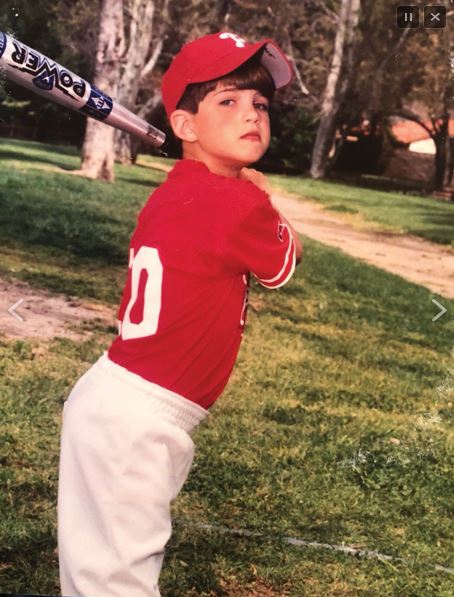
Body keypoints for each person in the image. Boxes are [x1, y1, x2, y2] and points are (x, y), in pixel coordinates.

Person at [57, 30, 303, 597]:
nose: (252, 114)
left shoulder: (176, 189)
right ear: (185, 125)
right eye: (229, 101)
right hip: (140, 418)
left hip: (118, 401)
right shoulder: (240, 202)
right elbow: (283, 266)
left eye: (260, 104)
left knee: (98, 571)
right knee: (117, 582)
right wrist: (265, 198)